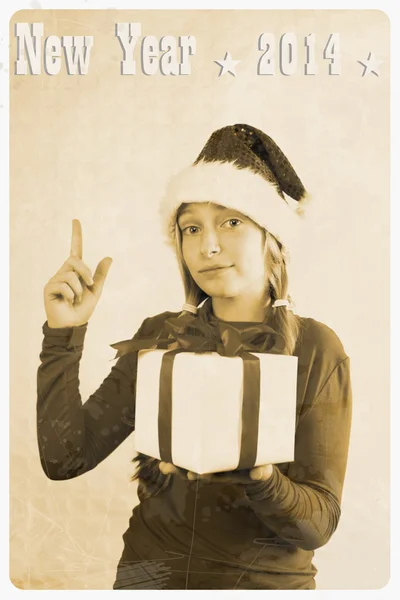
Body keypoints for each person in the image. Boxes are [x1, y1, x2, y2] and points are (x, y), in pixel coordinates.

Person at [37, 123, 352, 590]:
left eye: (231, 222)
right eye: (191, 228)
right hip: (146, 579)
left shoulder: (316, 350)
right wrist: (64, 335)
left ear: (273, 243)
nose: (208, 246)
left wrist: (259, 475)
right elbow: (65, 459)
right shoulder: (158, 336)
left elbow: (318, 524)